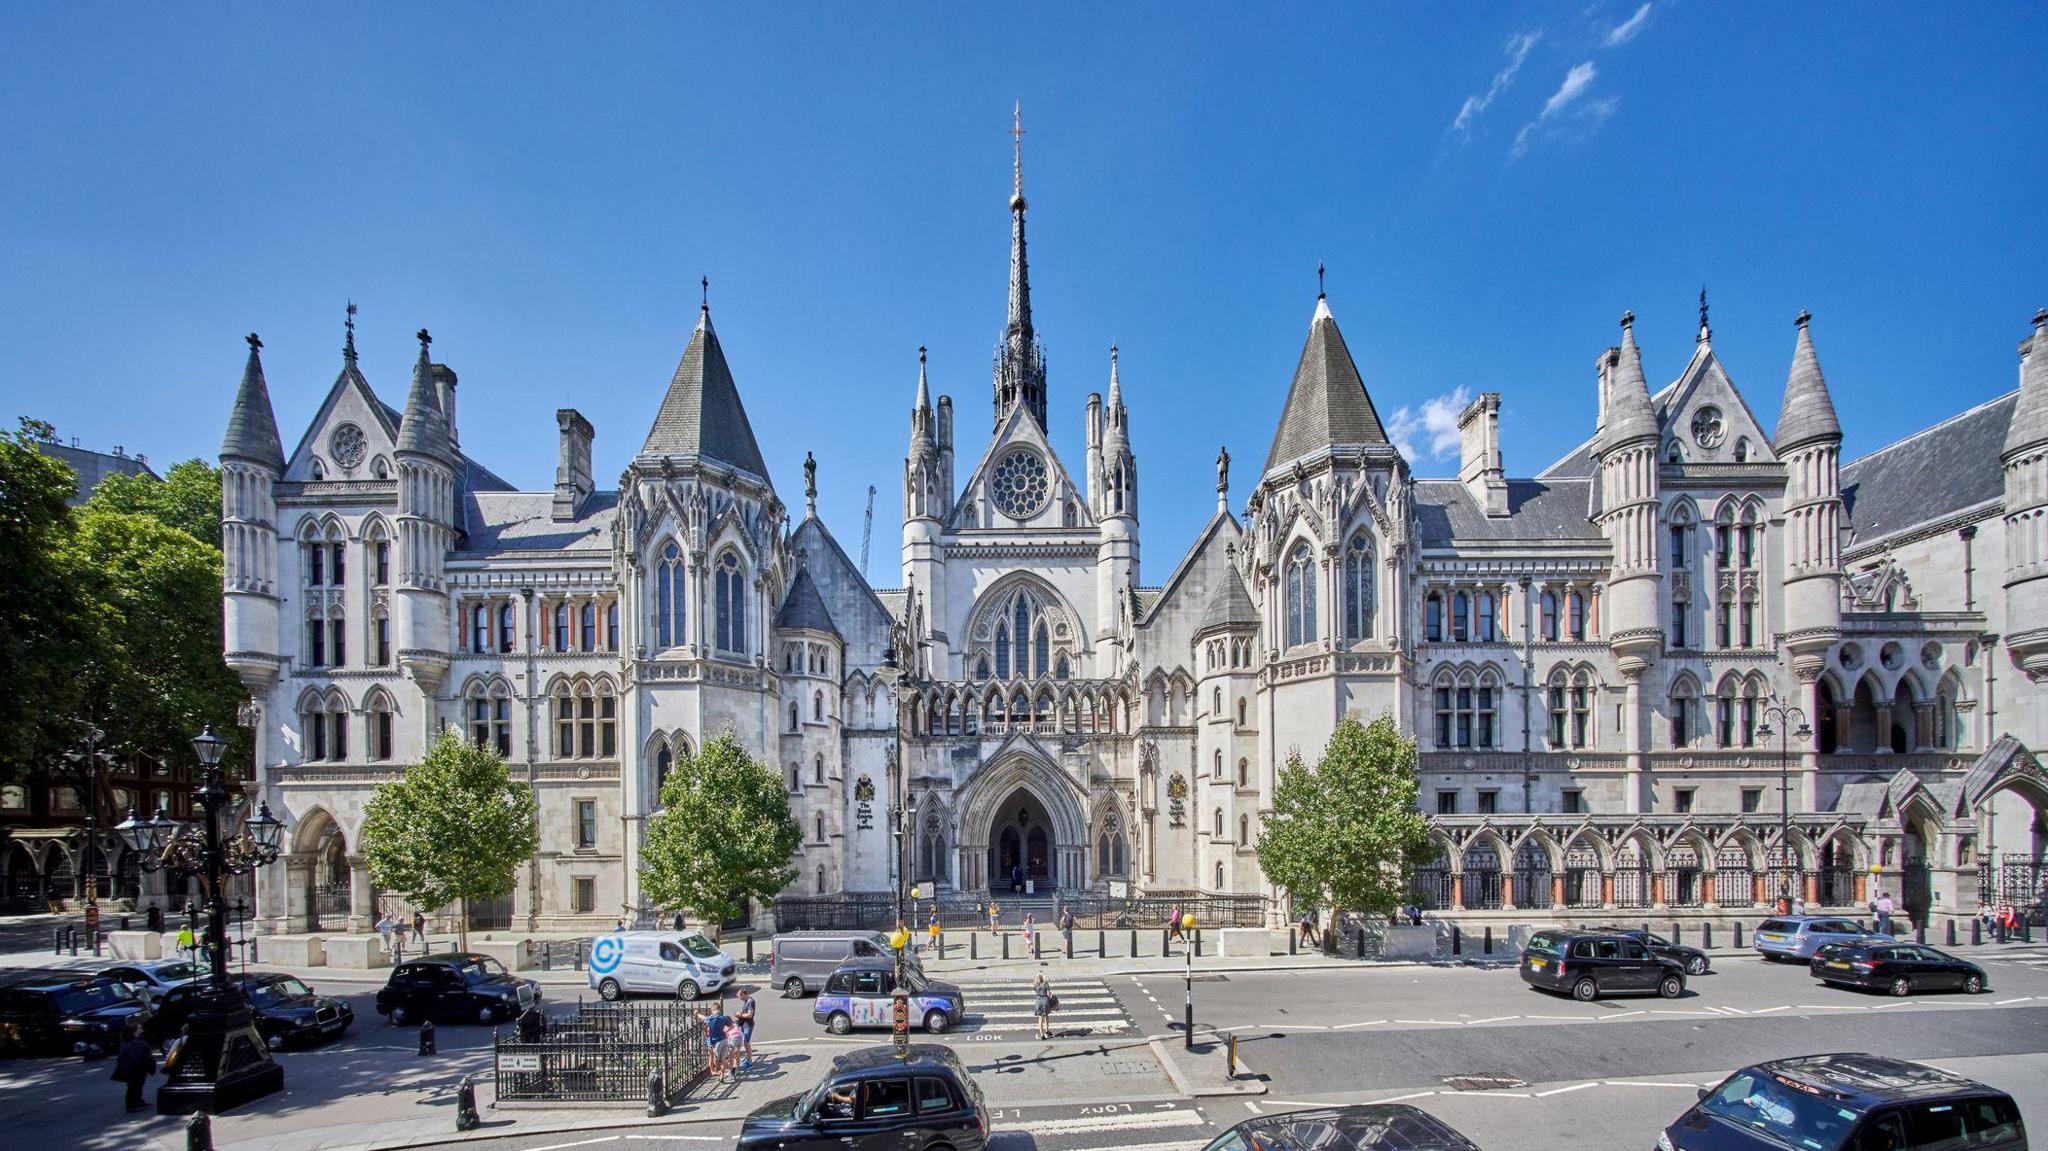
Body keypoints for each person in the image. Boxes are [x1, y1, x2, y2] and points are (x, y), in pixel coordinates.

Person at [112, 1020, 156, 1113]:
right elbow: (135, 1056)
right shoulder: (132, 1042)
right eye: (139, 1028)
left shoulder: (137, 1039)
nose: (141, 1029)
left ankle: (138, 1101)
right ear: (134, 1030)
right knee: (133, 1086)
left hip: (138, 1067)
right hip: (133, 1068)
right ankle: (132, 1105)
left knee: (138, 1085)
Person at [704, 999, 730, 1079]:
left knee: (715, 1059)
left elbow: (704, 1021)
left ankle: (715, 1070)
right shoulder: (723, 1018)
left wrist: (697, 1014)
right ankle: (722, 1073)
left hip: (714, 1042)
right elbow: (731, 1025)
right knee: (722, 1059)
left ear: (713, 1010)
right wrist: (726, 1031)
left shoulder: (711, 1019)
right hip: (723, 1040)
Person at [733, 987, 756, 1071]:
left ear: (743, 994)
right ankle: (748, 1059)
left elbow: (750, 1015)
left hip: (748, 1025)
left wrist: (740, 1015)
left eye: (740, 997)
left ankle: (750, 1061)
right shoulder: (747, 1001)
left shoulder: (750, 1001)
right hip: (744, 1024)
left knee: (746, 1043)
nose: (740, 999)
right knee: (745, 1043)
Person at [1032, 974, 1054, 1040]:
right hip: (1045, 1001)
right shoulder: (1046, 984)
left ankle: (1042, 1035)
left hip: (1038, 1001)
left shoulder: (1036, 985)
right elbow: (1048, 994)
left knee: (1040, 1019)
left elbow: (1036, 990)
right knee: (1046, 1016)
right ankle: (1047, 1030)